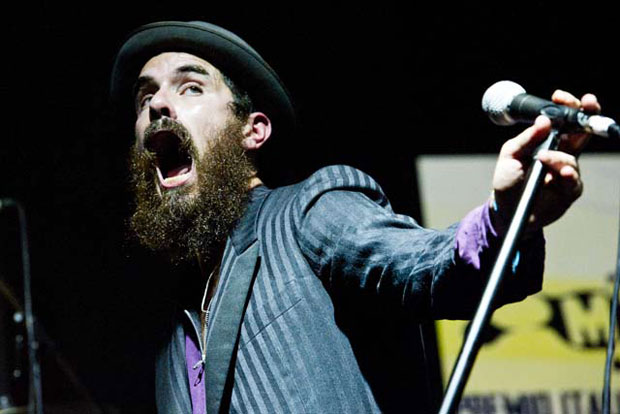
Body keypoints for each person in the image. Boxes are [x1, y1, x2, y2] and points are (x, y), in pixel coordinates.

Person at [110, 21, 600, 413]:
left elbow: (425, 266)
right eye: (144, 98)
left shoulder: (308, 212)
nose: (158, 105)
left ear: (253, 130)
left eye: (191, 88)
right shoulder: (172, 335)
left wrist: (506, 217)